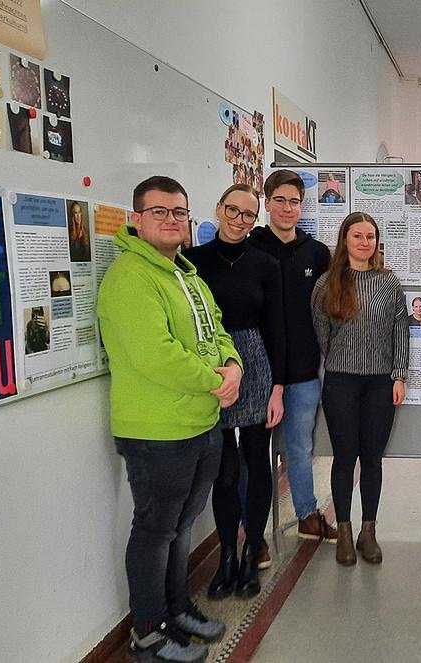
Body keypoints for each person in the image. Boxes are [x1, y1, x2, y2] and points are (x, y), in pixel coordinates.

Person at [98, 176, 242, 662]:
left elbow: (218, 330)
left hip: (201, 425)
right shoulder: (130, 278)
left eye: (179, 212)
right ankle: (148, 632)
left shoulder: (187, 274)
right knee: (156, 531)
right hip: (156, 433)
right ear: (136, 219)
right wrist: (214, 379)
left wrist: (234, 367)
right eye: (159, 212)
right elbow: (154, 354)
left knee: (181, 528)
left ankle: (176, 610)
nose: (172, 220)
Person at [183, 183, 285, 600]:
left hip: (256, 361)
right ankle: (226, 555)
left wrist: (277, 388)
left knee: (257, 461)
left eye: (248, 214)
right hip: (213, 363)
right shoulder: (192, 261)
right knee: (224, 468)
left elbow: (276, 328)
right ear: (219, 208)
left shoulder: (264, 264)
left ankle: (249, 554)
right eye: (233, 210)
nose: (239, 220)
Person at [312, 212, 409, 566]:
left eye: (371, 237)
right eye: (358, 236)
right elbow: (321, 331)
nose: (365, 243)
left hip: (380, 384)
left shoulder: (390, 283)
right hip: (341, 382)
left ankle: (369, 532)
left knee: (372, 459)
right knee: (344, 458)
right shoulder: (327, 283)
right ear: (345, 240)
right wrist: (341, 358)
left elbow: (401, 331)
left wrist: (399, 375)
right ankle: (345, 533)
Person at [247, 170, 337, 542]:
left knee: (299, 446)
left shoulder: (316, 253)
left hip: (302, 369)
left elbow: (331, 304)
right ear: (267, 203)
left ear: (303, 205)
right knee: (252, 453)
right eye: (280, 200)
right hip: (255, 368)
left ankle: (306, 513)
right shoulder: (250, 247)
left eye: (294, 201)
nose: (287, 208)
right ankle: (251, 533)